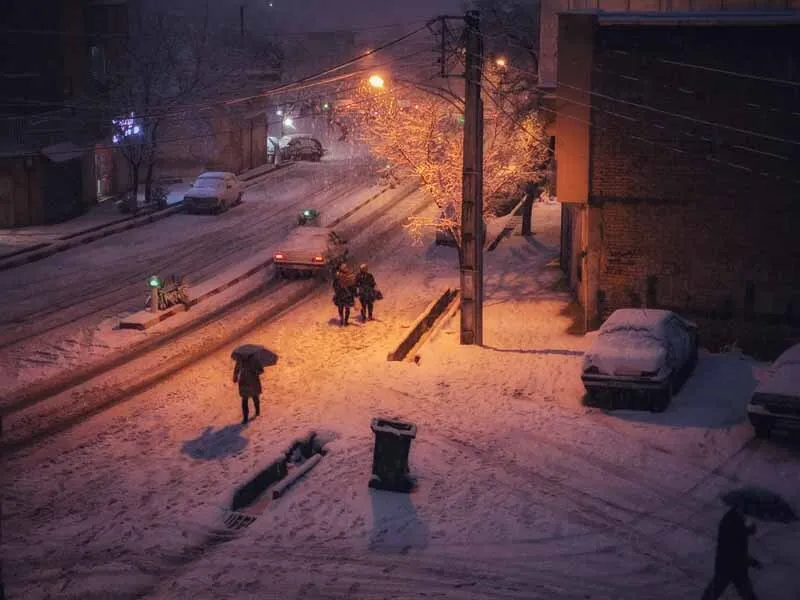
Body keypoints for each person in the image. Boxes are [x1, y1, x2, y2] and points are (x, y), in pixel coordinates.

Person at [701, 505, 762, 600]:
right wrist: (750, 561)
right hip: (728, 565)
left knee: (746, 592)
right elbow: (736, 546)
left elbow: (749, 532)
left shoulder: (738, 519)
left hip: (735, 565)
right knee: (715, 590)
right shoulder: (731, 522)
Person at [233, 355, 263, 424]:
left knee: (254, 397)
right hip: (245, 382)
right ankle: (246, 417)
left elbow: (261, 370)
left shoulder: (254, 359)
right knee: (245, 399)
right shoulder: (241, 360)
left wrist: (255, 371)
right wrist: (235, 377)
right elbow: (236, 369)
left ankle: (257, 411)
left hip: (251, 381)